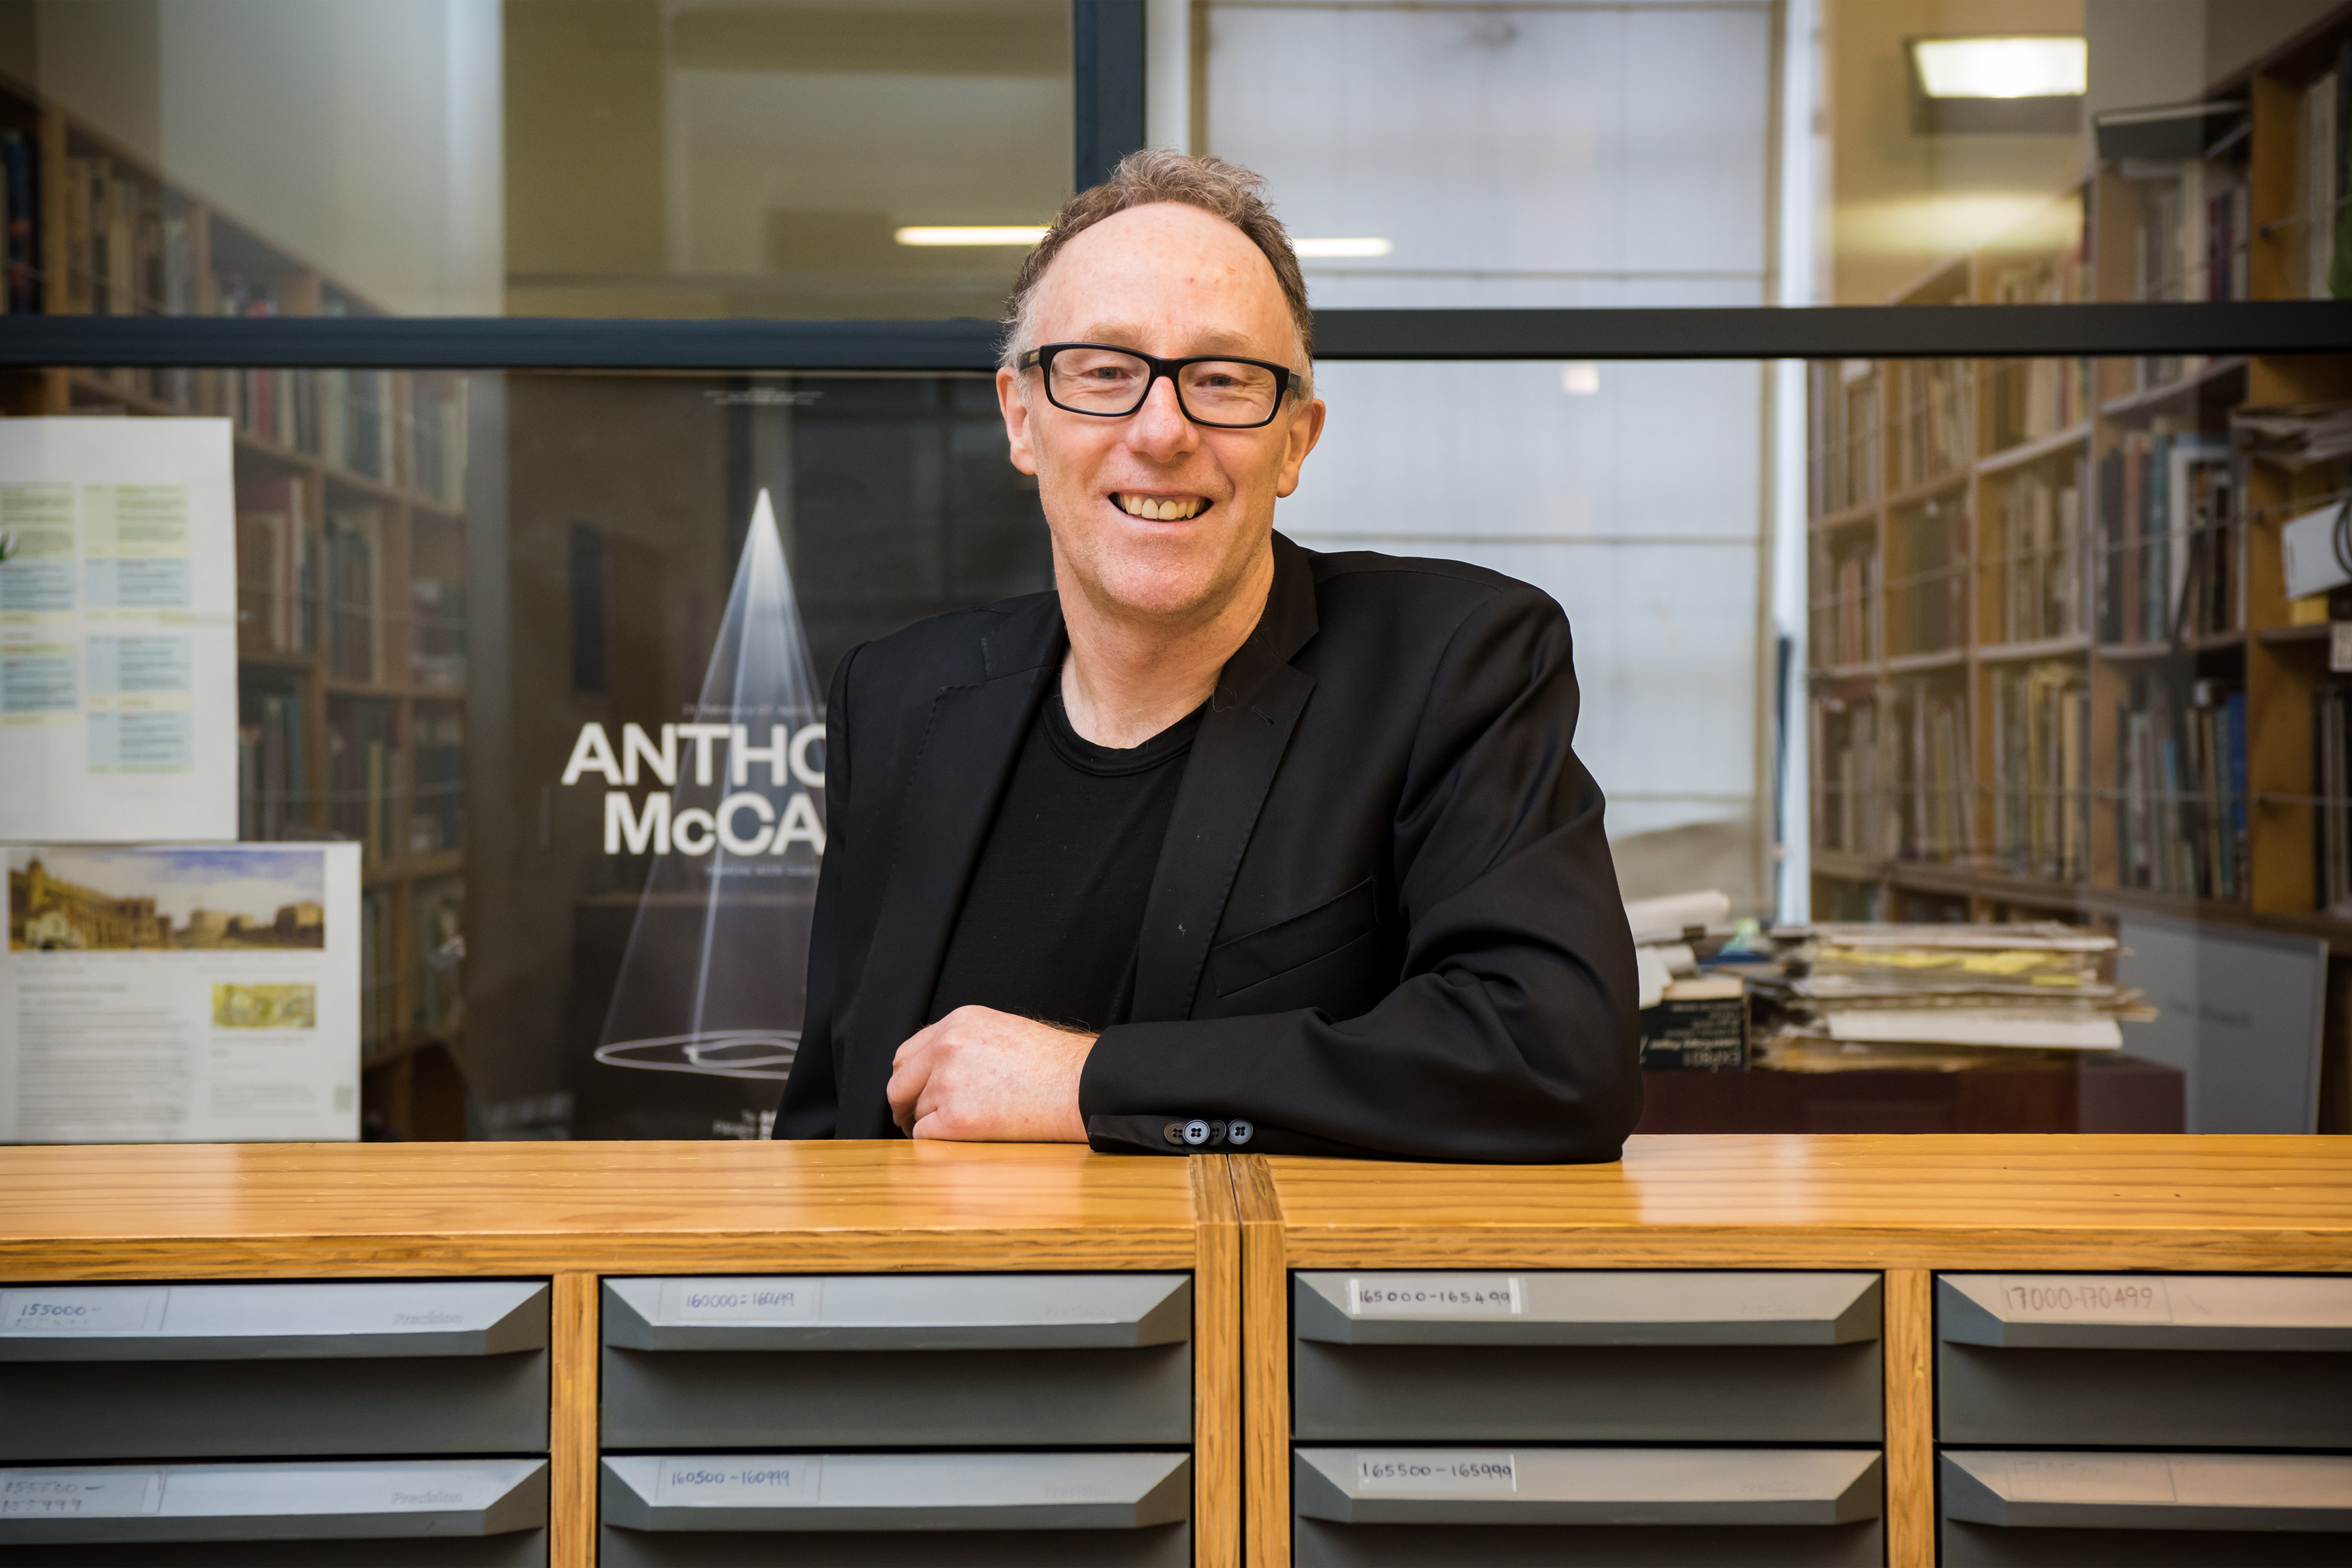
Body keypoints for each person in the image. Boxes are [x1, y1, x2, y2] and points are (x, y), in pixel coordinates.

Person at [777, 150, 1641, 1160]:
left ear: (1296, 442)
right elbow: (830, 1124)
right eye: (1103, 373)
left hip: (1263, 1310)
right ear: (1022, 417)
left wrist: (1088, 1082)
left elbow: (1553, 1061)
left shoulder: (1455, 665)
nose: (1162, 430)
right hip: (933, 1312)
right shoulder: (896, 698)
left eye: (1224, 381)